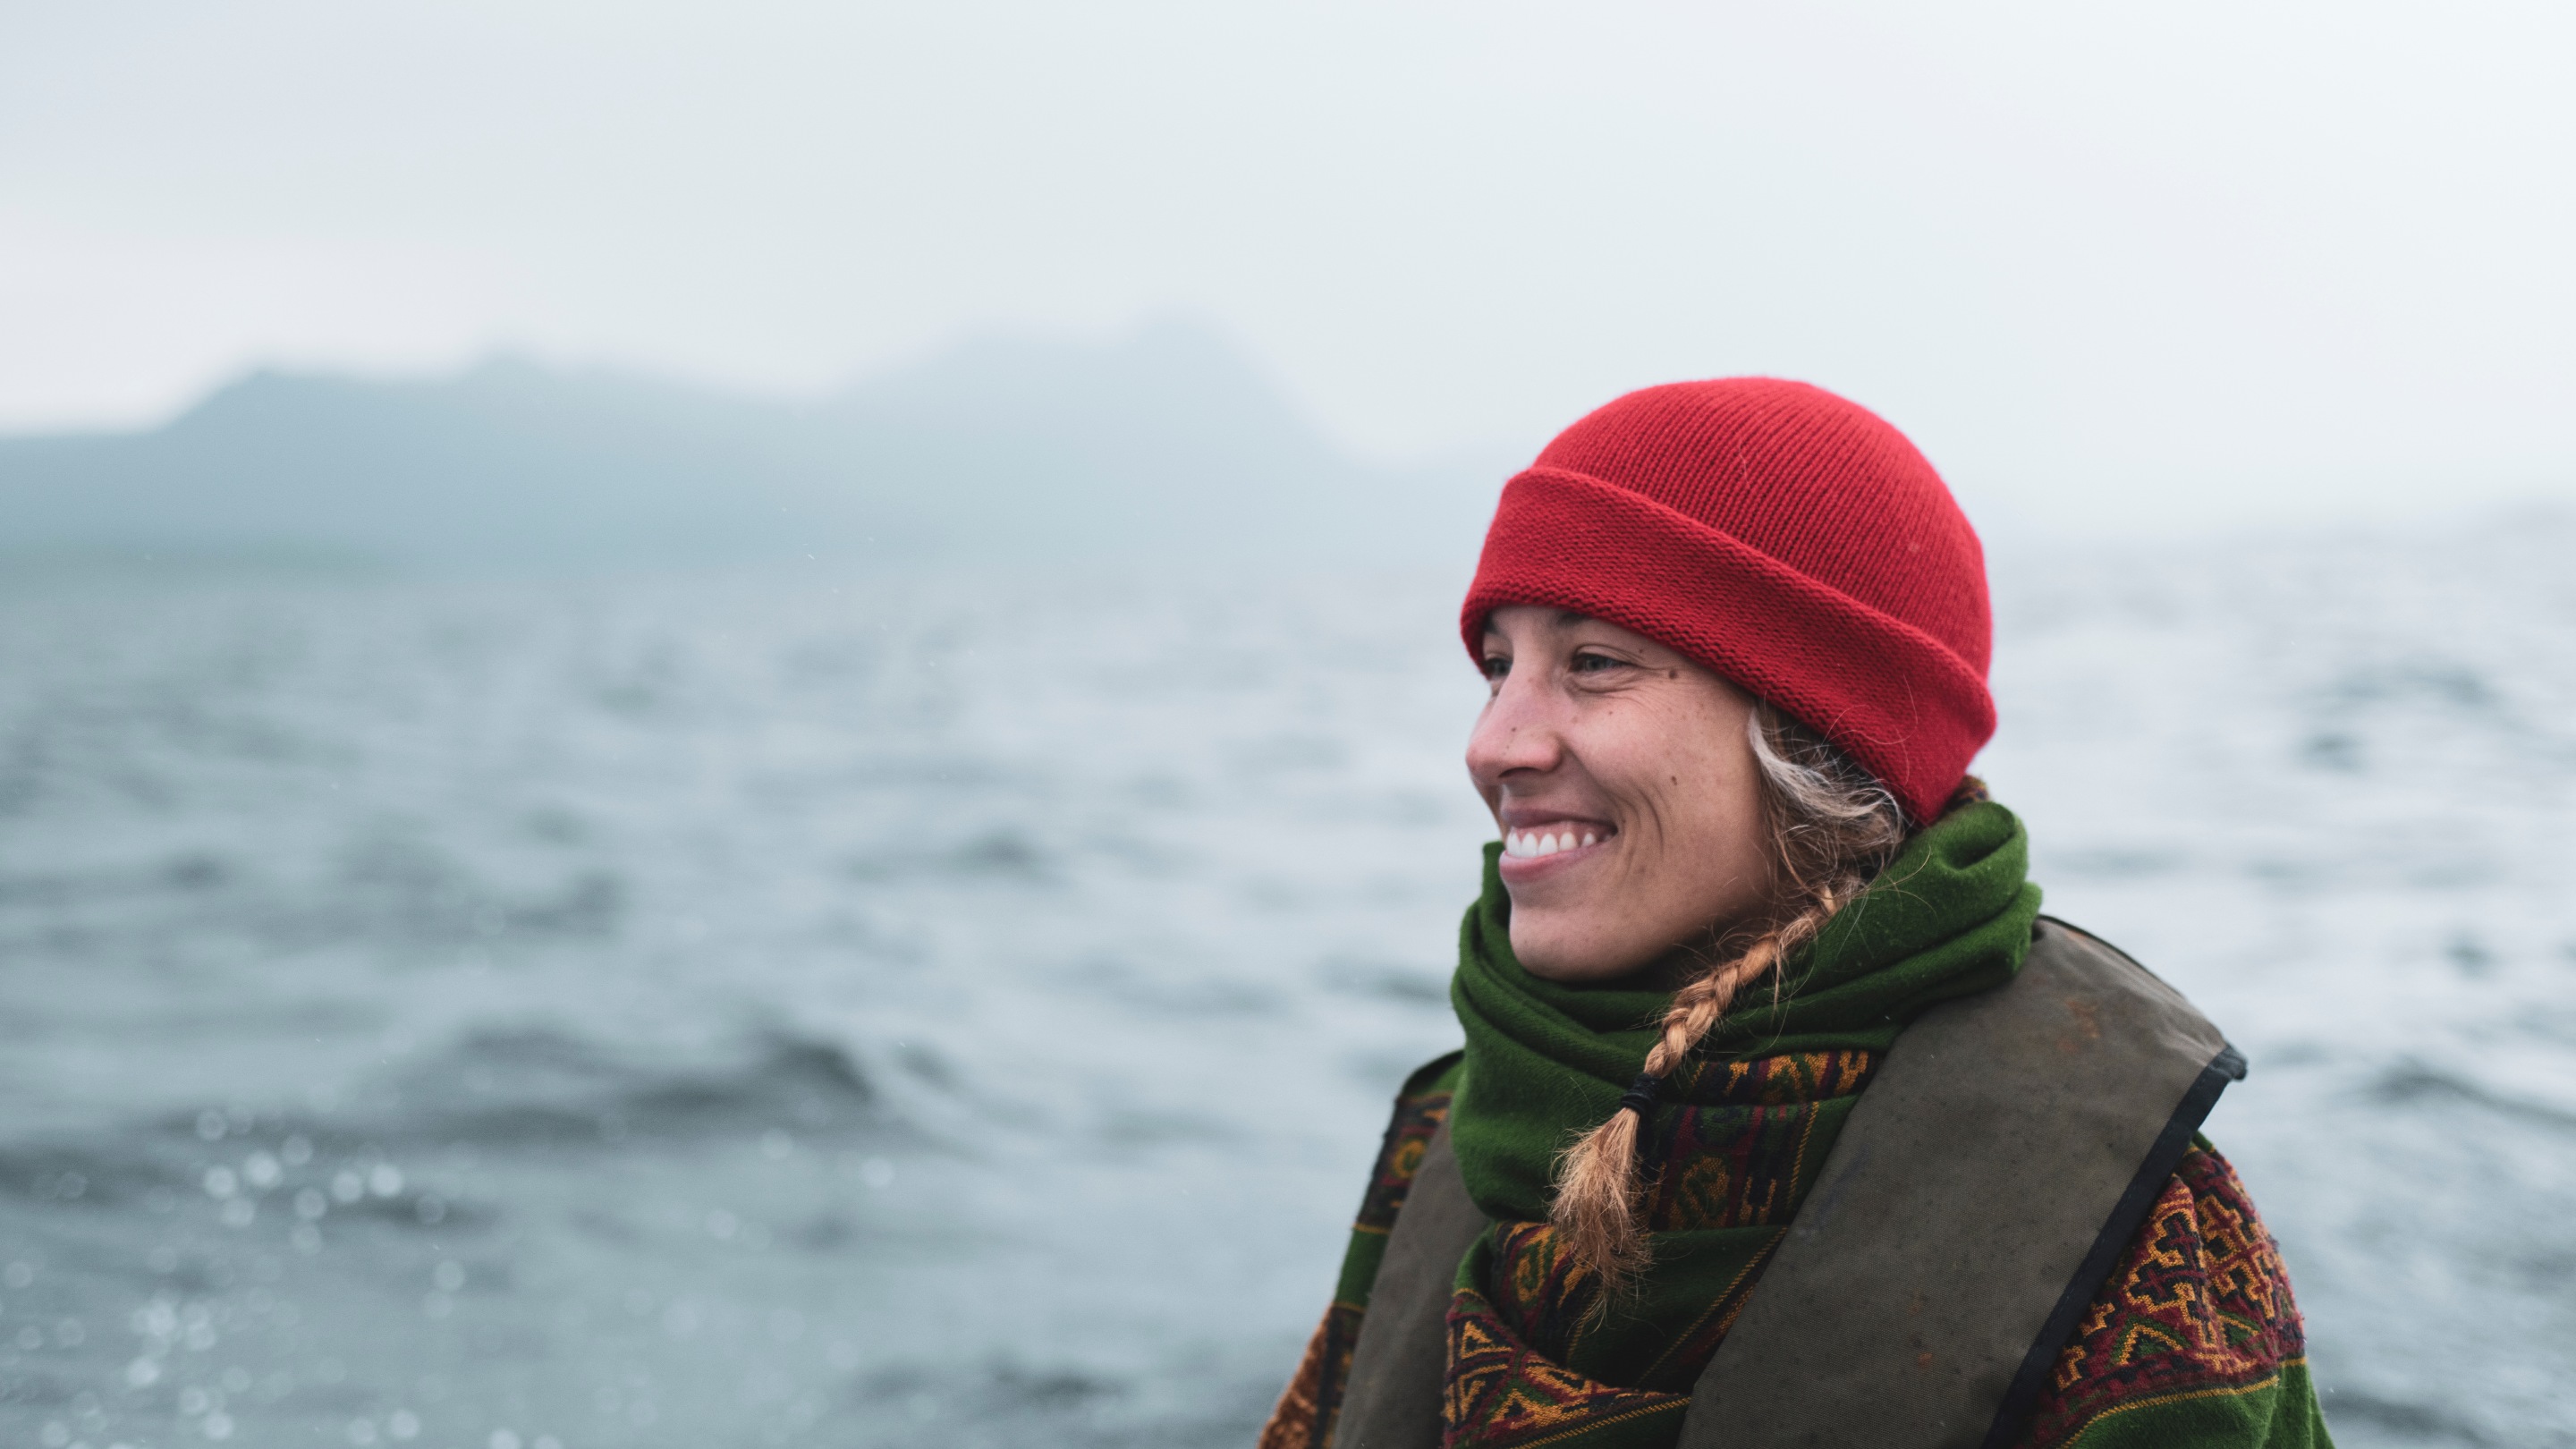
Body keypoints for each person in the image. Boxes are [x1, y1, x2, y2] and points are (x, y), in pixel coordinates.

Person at [1258, 379, 2329, 1449]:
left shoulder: (2139, 1233)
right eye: (1499, 669)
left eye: (1591, 664)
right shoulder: (1448, 1130)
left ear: (1815, 739)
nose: (1492, 745)